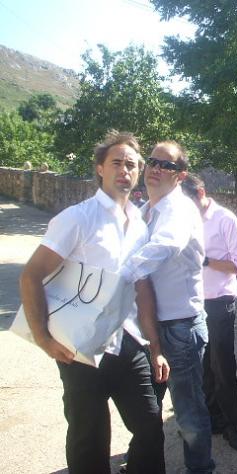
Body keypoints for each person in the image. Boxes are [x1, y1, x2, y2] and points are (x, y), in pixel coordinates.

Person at [19, 130, 169, 474]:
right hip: (81, 347)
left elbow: (142, 286)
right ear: (100, 168)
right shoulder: (77, 218)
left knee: (150, 428)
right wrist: (43, 338)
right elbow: (31, 276)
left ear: (139, 171)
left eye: (131, 164)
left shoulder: (139, 225)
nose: (124, 170)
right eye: (116, 162)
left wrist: (155, 347)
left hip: (129, 341)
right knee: (89, 437)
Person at [121, 141, 215, 474]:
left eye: (167, 165)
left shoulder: (180, 210)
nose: (156, 169)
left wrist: (117, 273)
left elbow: (165, 245)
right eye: (152, 161)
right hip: (146, 326)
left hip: (179, 328)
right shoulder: (144, 210)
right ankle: (141, 465)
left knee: (188, 413)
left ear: (181, 175)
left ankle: (200, 469)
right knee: (145, 409)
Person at [182, 173, 237, 452]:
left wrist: (206, 261)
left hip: (219, 300)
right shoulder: (181, 219)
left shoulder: (225, 219)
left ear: (201, 194)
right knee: (200, 366)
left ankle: (233, 425)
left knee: (221, 364)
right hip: (190, 302)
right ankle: (212, 419)